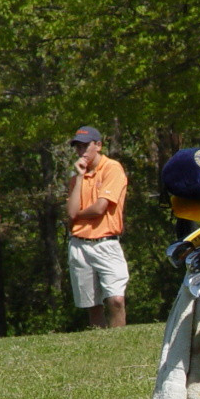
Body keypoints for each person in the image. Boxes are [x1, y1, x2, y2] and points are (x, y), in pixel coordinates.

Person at [66, 125, 129, 328]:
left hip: (106, 243)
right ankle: (101, 348)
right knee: (92, 305)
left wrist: (78, 215)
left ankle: (120, 343)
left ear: (98, 145)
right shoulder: (77, 178)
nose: (81, 151)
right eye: (78, 147)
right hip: (79, 245)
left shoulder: (112, 168)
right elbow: (70, 212)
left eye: (86, 146)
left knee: (116, 300)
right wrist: (81, 177)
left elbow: (99, 208)